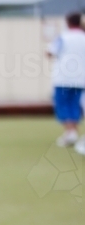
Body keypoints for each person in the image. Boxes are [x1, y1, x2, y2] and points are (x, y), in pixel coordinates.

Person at [48, 12, 85, 152]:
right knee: (74, 104)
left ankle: (71, 132)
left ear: (68, 22)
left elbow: (50, 52)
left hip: (63, 78)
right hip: (81, 78)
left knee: (63, 104)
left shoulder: (62, 37)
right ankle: (72, 132)